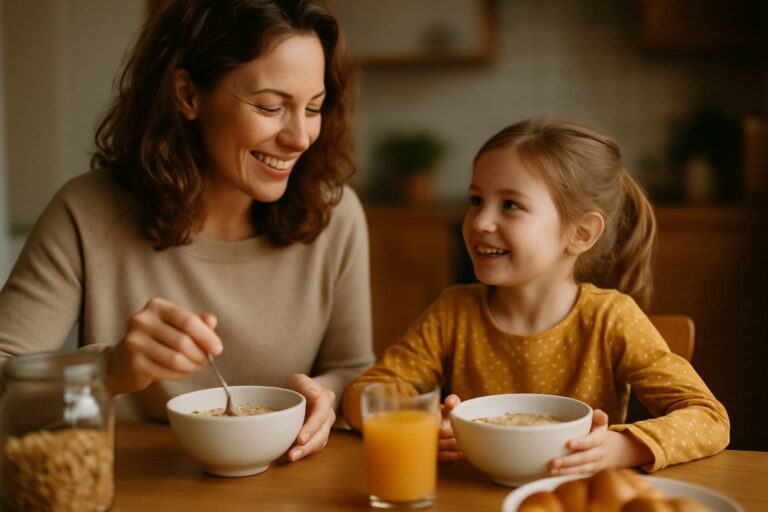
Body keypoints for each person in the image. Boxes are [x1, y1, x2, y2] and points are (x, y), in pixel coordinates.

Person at [0, 0, 374, 462]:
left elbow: (353, 368)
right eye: (270, 106)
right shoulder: (88, 211)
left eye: (313, 108)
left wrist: (321, 395)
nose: (299, 137)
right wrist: (110, 369)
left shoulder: (335, 215)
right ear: (188, 95)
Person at [343, 118, 729, 473]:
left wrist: (619, 447)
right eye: (476, 199)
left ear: (580, 233)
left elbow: (710, 418)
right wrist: (420, 422)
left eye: (510, 205)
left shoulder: (611, 318)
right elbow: (364, 395)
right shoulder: (453, 312)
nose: (480, 221)